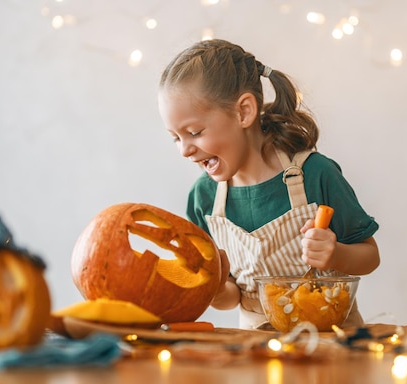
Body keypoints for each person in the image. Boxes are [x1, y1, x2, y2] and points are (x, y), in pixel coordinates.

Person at [158, 39, 380, 329]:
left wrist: (335, 253)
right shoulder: (204, 198)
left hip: (331, 349)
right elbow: (230, 298)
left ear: (243, 112)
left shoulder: (317, 174)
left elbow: (370, 256)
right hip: (256, 353)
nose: (184, 150)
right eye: (176, 137)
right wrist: (210, 287)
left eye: (195, 132)